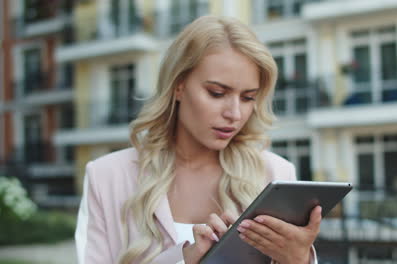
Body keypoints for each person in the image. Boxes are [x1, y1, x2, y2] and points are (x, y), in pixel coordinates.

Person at [75, 15, 321, 264]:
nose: (234, 114)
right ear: (178, 86)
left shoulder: (277, 174)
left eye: (247, 98)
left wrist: (299, 260)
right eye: (217, 93)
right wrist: (184, 260)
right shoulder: (106, 177)